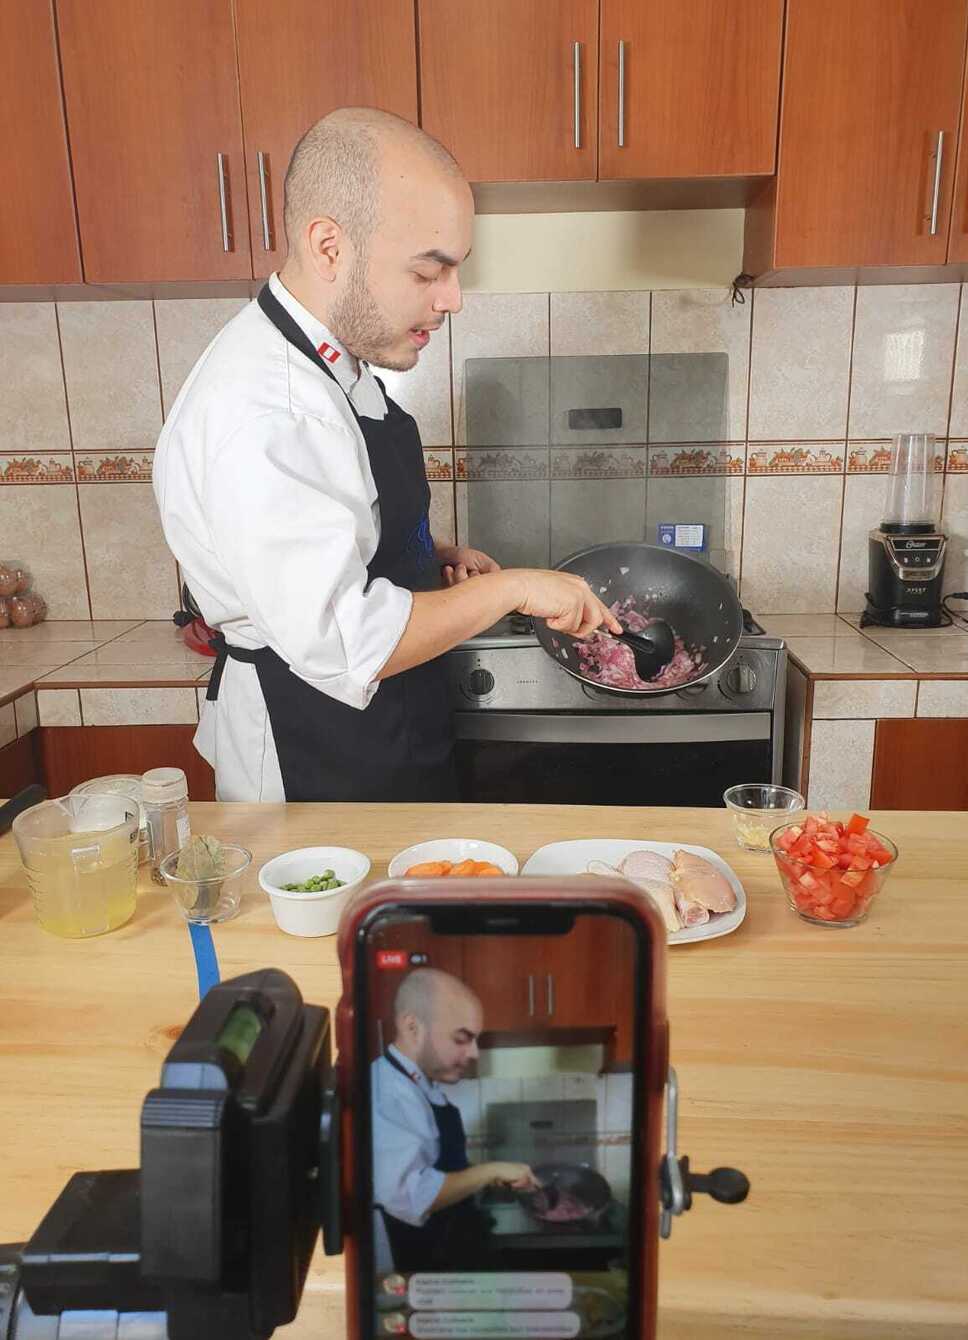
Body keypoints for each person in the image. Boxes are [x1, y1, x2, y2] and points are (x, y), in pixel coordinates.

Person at [153, 107, 617, 802]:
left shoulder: (331, 364)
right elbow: (344, 642)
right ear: (328, 247)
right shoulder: (268, 408)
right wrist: (513, 588)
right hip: (312, 747)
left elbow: (336, 522)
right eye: (429, 271)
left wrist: (422, 554)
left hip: (384, 727)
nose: (452, 299)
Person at [371, 968, 538, 1273]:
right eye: (461, 1038)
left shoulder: (418, 1084)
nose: (474, 1053)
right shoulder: (390, 1092)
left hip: (448, 1250)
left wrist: (481, 1175)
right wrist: (490, 1170)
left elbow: (433, 1165)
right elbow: (411, 1197)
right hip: (421, 1267)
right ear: (412, 1027)